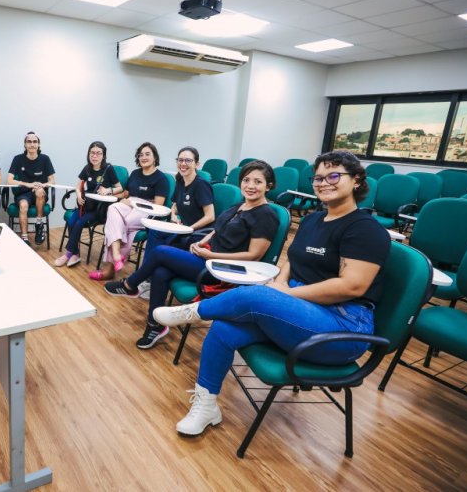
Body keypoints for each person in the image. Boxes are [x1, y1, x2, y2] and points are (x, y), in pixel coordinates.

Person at [153, 151, 390, 436]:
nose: (324, 182)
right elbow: (291, 260)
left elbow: (352, 286)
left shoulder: (365, 229)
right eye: (318, 177)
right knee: (225, 328)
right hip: (302, 312)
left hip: (342, 328)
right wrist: (282, 285)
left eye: (334, 176)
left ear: (357, 181)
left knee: (257, 294)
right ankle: (206, 408)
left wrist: (284, 295)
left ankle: (191, 312)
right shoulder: (313, 220)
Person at [105, 160, 279, 349]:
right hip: (209, 257)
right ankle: (155, 325)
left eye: (258, 182)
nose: (250, 186)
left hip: (224, 271)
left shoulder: (266, 215)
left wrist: (210, 256)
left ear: (269, 186)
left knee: (160, 251)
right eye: (246, 180)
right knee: (160, 272)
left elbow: (253, 256)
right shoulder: (240, 206)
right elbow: (218, 229)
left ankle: (130, 284)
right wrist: (203, 241)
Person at [89, 142, 169, 281]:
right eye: (140, 155)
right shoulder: (135, 173)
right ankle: (116, 255)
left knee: (119, 224)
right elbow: (126, 193)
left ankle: (108, 269)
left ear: (155, 157)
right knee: (113, 208)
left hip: (147, 208)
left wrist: (133, 202)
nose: (143, 157)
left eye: (147, 154)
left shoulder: (161, 178)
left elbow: (158, 206)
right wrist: (110, 195)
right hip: (129, 204)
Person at [55, 141, 122, 268]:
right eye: (92, 153)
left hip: (99, 209)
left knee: (79, 223)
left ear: (103, 155)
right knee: (71, 221)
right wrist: (79, 195)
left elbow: (120, 188)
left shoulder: (108, 169)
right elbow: (77, 185)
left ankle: (68, 254)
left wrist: (108, 190)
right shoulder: (87, 168)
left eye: (98, 153)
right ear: (88, 154)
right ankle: (76, 254)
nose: (95, 156)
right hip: (86, 205)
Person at [7, 131, 55, 246]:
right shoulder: (18, 159)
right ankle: (24, 238)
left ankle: (39, 224)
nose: (32, 144)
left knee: (39, 191)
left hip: (40, 193)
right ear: (25, 144)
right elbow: (9, 180)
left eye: (35, 142)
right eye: (29, 142)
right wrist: (28, 184)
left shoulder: (45, 159)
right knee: (23, 205)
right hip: (23, 193)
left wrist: (41, 185)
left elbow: (52, 180)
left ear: (39, 144)